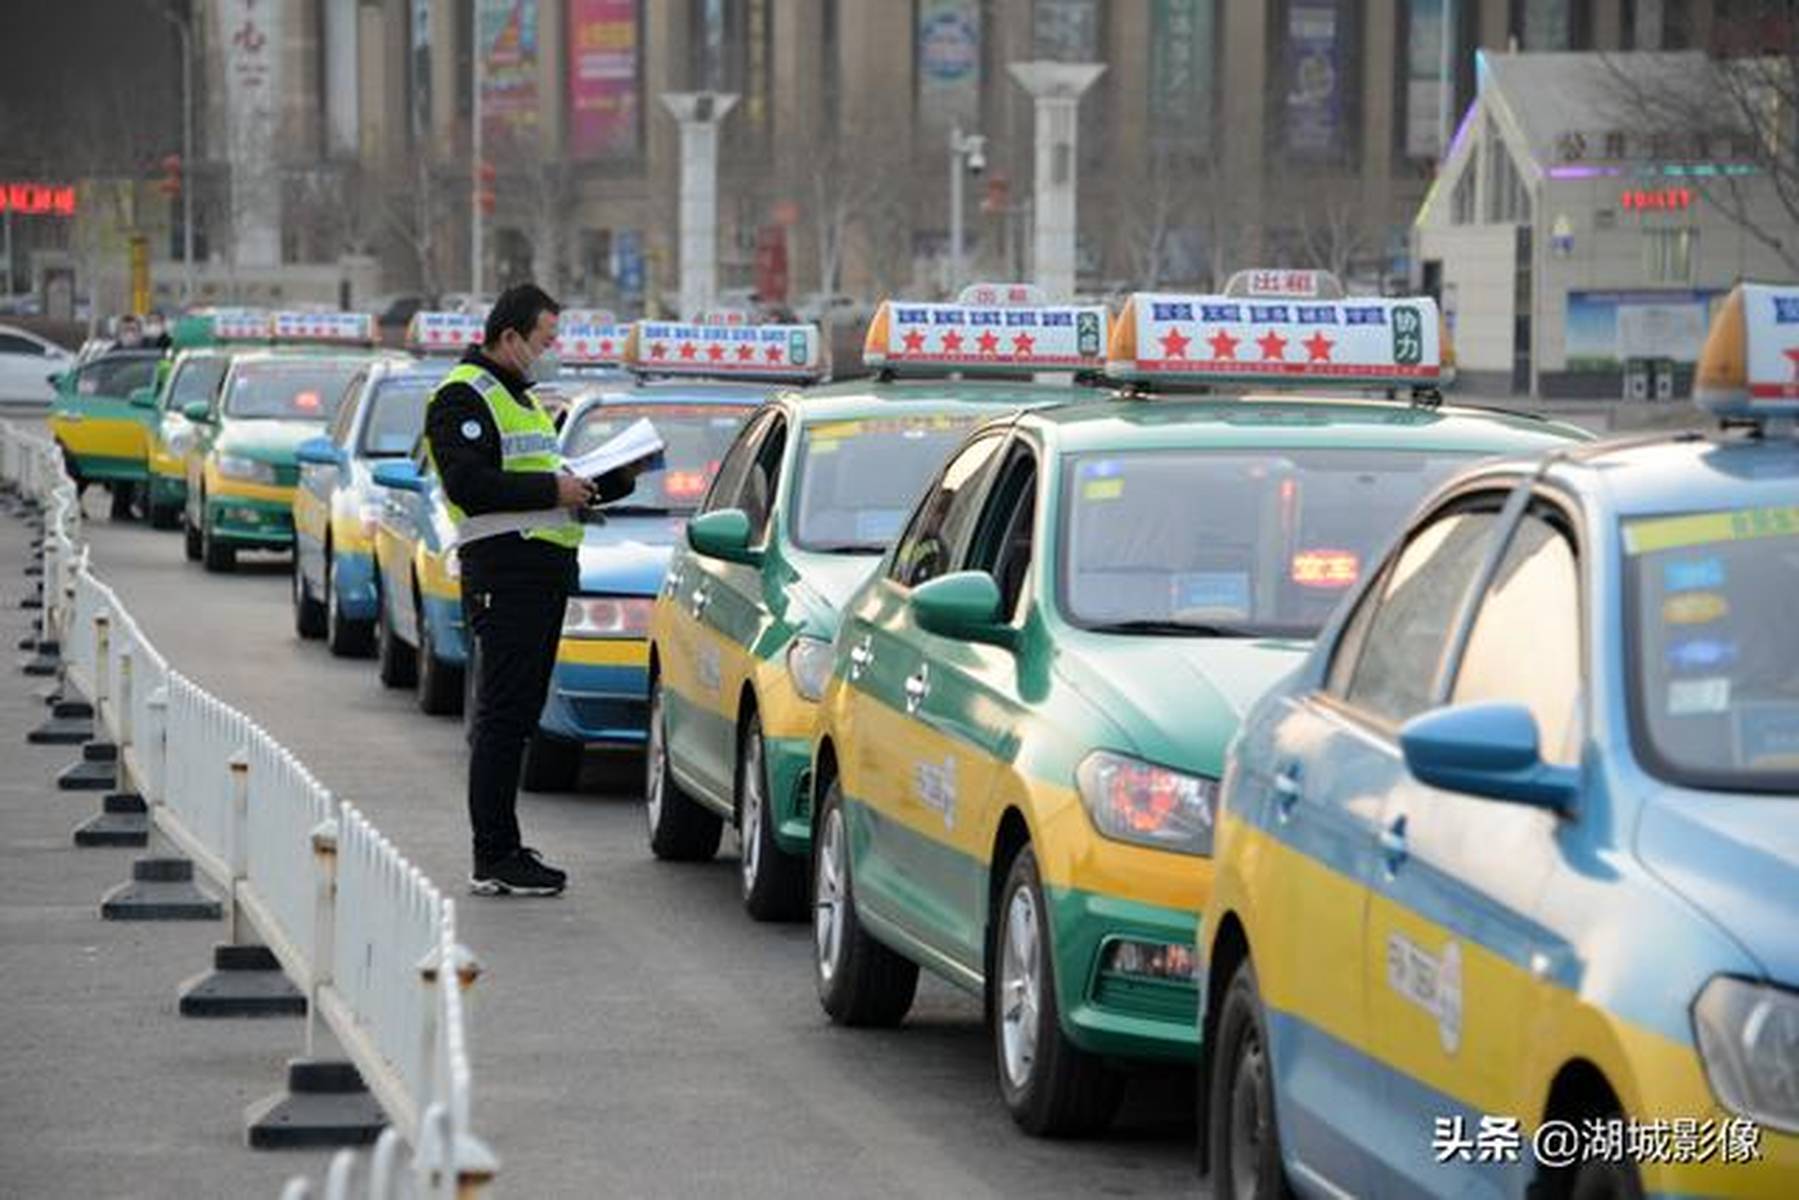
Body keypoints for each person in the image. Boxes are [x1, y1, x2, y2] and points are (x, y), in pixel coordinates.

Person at [423, 283, 634, 896]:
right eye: (545, 340)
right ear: (510, 336)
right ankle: (494, 853)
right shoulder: (463, 396)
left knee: (516, 718)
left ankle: (504, 846)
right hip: (505, 575)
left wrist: (610, 480)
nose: (552, 351)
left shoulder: (522, 398)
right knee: (502, 718)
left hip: (537, 577)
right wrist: (553, 492)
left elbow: (544, 480)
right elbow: (471, 484)